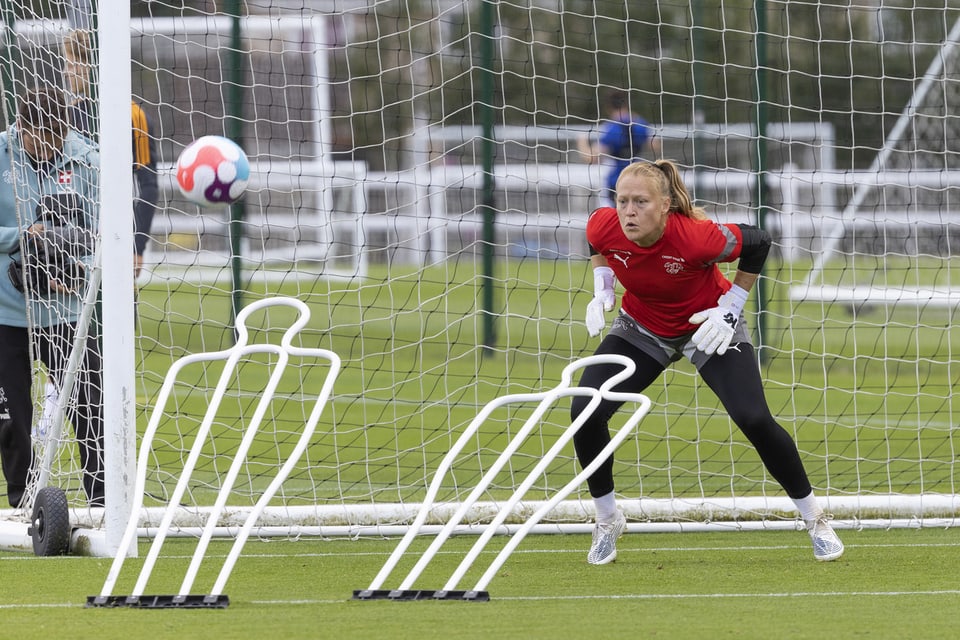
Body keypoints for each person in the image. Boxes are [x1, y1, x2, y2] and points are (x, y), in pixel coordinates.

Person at [572, 159, 844, 565]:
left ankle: (815, 519)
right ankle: (608, 518)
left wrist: (732, 306)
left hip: (710, 325)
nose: (629, 211)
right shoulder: (605, 224)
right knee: (585, 408)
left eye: (641, 202)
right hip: (642, 328)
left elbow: (758, 242)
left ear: (665, 205)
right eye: (622, 200)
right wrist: (602, 281)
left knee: (753, 417)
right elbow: (596, 239)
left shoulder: (696, 238)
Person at [0, 85, 104, 507]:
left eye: (56, 139)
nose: (47, 149)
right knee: (12, 421)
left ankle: (103, 498)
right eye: (38, 140)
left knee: (92, 405)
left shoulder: (89, 160)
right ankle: (22, 502)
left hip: (67, 313)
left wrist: (76, 269)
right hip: (6, 312)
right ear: (21, 129)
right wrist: (20, 239)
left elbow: (105, 231)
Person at [578, 89, 660, 207]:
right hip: (640, 176)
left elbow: (591, 158)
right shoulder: (640, 123)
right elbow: (655, 145)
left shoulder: (611, 129)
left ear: (608, 107)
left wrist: (582, 141)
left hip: (618, 181)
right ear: (626, 104)